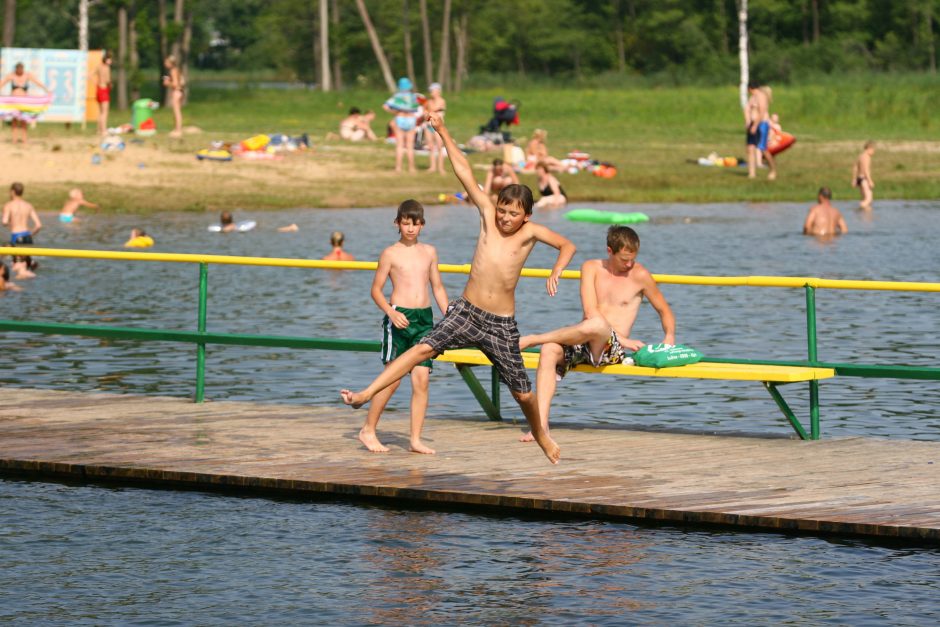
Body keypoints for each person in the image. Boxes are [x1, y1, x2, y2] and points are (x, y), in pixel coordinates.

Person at [341, 112, 576, 465]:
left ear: (526, 215)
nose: (505, 218)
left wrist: (556, 271)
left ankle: (541, 433)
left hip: (500, 324)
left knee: (523, 394)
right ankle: (366, 393)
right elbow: (463, 169)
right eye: (502, 211)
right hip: (467, 311)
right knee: (421, 349)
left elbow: (567, 246)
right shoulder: (486, 214)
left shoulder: (530, 233)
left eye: (513, 214)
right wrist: (443, 131)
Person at [518, 226, 675, 442]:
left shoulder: (640, 275)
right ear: (609, 251)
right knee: (550, 350)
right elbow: (590, 312)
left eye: (632, 259)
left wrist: (669, 339)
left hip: (613, 349)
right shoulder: (590, 267)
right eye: (624, 259)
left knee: (597, 324)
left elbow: (664, 311)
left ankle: (534, 338)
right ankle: (541, 426)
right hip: (586, 338)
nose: (629, 264)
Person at [358, 200, 449, 454]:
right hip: (400, 317)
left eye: (415, 224)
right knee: (393, 378)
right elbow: (376, 290)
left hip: (424, 320)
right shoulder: (390, 253)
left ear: (422, 225)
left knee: (421, 380)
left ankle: (415, 439)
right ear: (397, 223)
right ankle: (368, 429)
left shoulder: (429, 251)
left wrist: (449, 314)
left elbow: (438, 287)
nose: (410, 228)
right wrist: (390, 312)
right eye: (406, 223)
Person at [0, 62, 49, 145]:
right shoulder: (12, 75)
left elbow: (37, 82)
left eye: (21, 69)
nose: (19, 70)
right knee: (14, 120)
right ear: (16, 69)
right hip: (14, 101)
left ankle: (24, 139)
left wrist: (46, 90)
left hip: (24, 101)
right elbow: (2, 83)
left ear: (23, 69)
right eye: (18, 69)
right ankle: (14, 139)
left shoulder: (27, 75)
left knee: (24, 119)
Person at [2, 182, 42, 279]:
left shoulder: (9, 205)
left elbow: (4, 221)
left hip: (17, 236)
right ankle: (31, 268)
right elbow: (38, 225)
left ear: (12, 192)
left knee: (18, 267)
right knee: (25, 263)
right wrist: (30, 235)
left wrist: (10, 226)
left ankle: (20, 284)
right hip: (27, 236)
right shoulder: (28, 205)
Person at [383, 77, 422, 173]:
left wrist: (394, 112)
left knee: (399, 145)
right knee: (409, 145)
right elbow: (417, 109)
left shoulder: (397, 97)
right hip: (410, 119)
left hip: (399, 118)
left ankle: (398, 167)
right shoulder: (413, 97)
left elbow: (385, 106)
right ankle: (411, 168)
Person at [745, 82, 776, 180]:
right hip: (753, 124)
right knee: (750, 148)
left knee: (763, 149)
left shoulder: (761, 96)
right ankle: (751, 173)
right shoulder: (752, 97)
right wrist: (748, 122)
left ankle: (773, 170)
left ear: (750, 88)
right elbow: (747, 109)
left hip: (761, 124)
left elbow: (762, 112)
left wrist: (755, 125)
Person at [423, 83, 447, 175]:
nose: (430, 92)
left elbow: (435, 110)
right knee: (431, 147)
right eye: (430, 90)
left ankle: (441, 168)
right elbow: (425, 113)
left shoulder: (441, 101)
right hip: (429, 125)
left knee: (439, 147)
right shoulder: (428, 102)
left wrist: (427, 111)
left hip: (437, 126)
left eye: (432, 90)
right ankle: (432, 167)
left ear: (438, 91)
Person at [162, 55, 184, 138]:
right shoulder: (177, 70)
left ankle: (178, 130)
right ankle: (176, 129)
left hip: (176, 92)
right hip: (179, 92)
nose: (165, 63)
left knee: (177, 112)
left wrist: (167, 83)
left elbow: (175, 84)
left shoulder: (173, 71)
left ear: (170, 63)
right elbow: (182, 82)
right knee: (176, 111)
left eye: (166, 62)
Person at [852, 141, 876, 210]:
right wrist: (870, 181)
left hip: (859, 179)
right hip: (864, 179)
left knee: (864, 198)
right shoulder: (867, 157)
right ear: (869, 148)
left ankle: (864, 216)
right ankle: (858, 209)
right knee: (869, 199)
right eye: (873, 150)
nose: (874, 152)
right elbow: (866, 170)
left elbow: (855, 167)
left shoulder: (860, 156)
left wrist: (854, 179)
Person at [95, 51, 113, 136]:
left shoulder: (98, 66)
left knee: (100, 111)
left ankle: (98, 130)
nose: (111, 61)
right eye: (110, 59)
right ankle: (104, 130)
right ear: (106, 59)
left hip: (98, 89)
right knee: (105, 112)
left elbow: (89, 75)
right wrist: (111, 85)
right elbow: (108, 80)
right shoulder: (106, 68)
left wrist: (96, 82)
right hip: (104, 90)